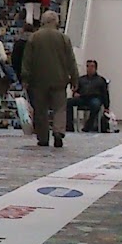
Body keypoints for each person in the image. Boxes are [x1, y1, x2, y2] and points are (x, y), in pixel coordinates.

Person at [20, 10, 80, 147]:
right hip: (59, 79)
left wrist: (25, 78)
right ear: (56, 22)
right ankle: (58, 131)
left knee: (40, 110)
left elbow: (27, 60)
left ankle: (43, 137)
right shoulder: (63, 38)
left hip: (38, 80)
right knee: (60, 108)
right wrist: (74, 79)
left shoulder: (34, 37)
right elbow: (71, 60)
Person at [74, 58, 112, 132]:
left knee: (95, 105)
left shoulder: (100, 80)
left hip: (95, 98)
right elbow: (76, 90)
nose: (89, 68)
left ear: (95, 68)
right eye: (88, 66)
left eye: (92, 66)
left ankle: (88, 125)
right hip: (82, 98)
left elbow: (105, 93)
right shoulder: (81, 79)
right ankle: (69, 126)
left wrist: (106, 106)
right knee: (67, 103)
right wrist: (75, 93)